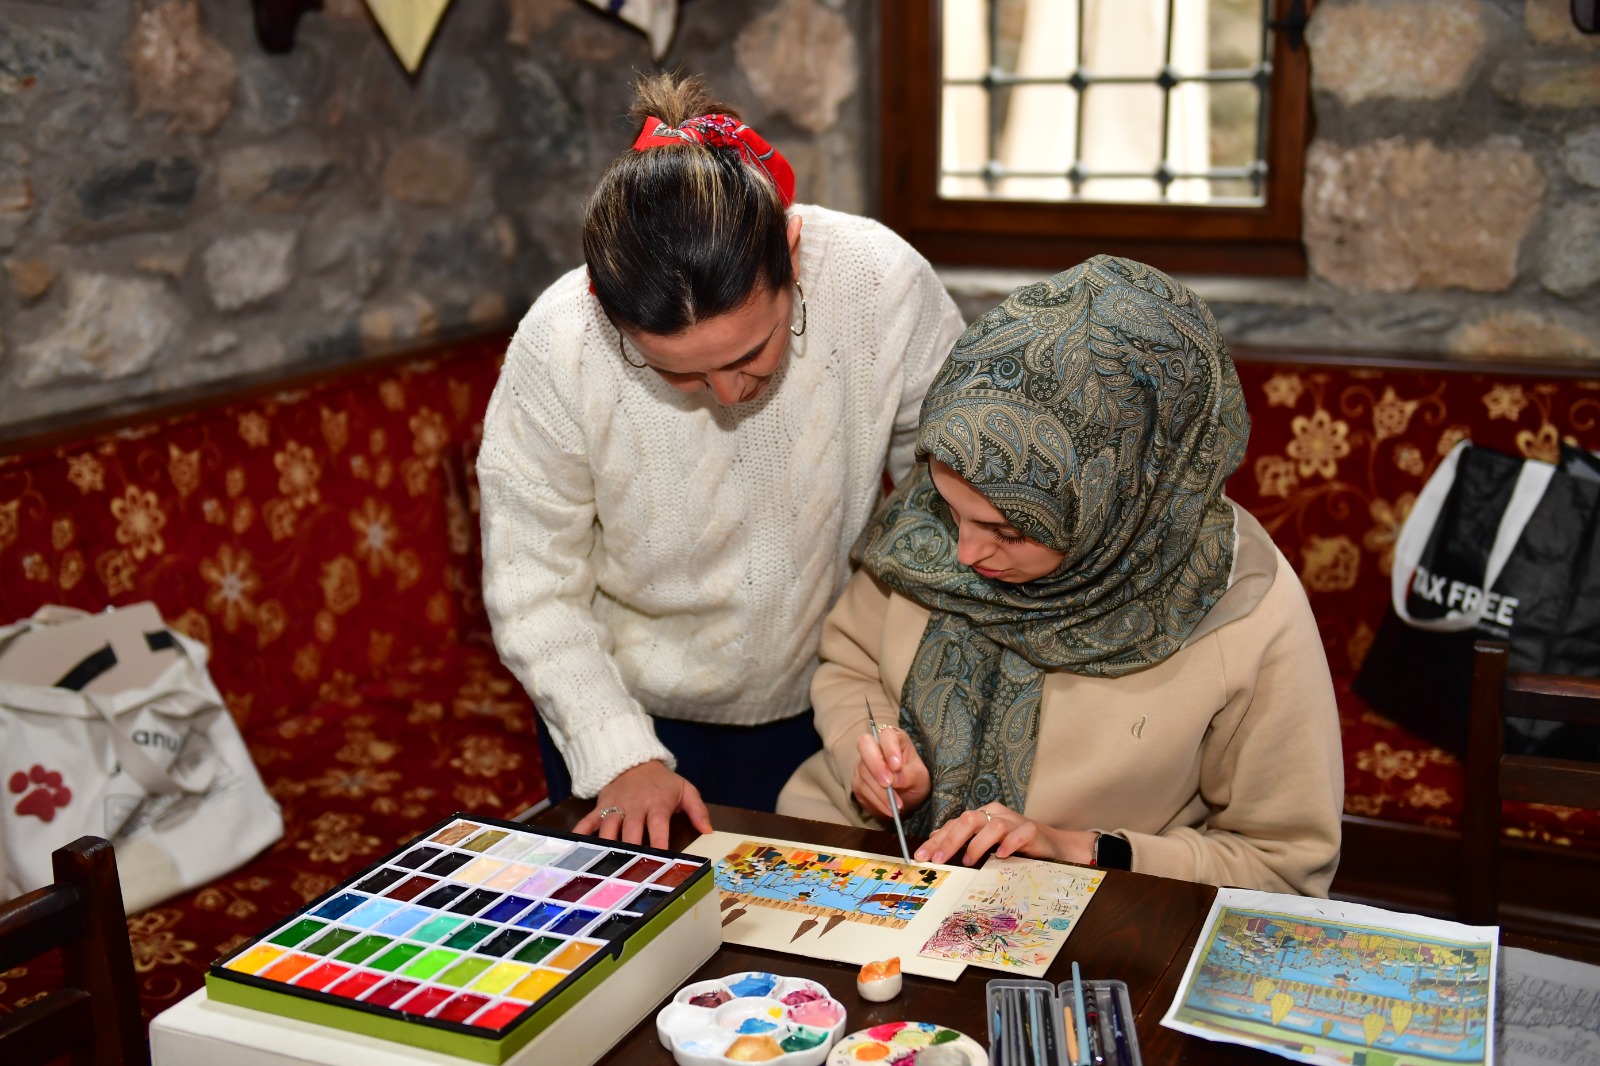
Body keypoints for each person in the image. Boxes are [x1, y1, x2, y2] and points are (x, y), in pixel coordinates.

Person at [477, 73, 965, 848]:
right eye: (677, 374)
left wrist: (894, 696)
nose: (730, 394)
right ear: (609, 313)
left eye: (751, 352)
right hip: (621, 710)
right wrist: (620, 755)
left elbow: (943, 511)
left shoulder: (882, 285)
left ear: (791, 253)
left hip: (831, 696)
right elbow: (531, 583)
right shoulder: (559, 344)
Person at [777, 255, 1344, 896]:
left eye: (1009, 531)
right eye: (951, 512)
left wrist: (1080, 850)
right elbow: (849, 663)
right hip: (850, 855)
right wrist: (872, 750)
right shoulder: (961, 479)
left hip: (1089, 915)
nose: (964, 553)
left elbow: (1280, 866)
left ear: (1115, 496)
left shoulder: (1241, 608)